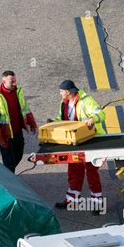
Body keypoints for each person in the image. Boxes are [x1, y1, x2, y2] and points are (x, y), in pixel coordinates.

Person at [47, 80, 106, 214]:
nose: (60, 94)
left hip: (91, 141)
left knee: (91, 173)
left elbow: (101, 114)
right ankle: (72, 200)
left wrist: (93, 119)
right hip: (74, 141)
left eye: (61, 91)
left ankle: (98, 204)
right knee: (74, 170)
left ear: (68, 92)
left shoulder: (87, 101)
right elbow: (62, 118)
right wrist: (53, 121)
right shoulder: (64, 103)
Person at [0, 70, 37, 173]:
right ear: (4, 81)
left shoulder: (18, 90)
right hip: (5, 135)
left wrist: (32, 123)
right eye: (12, 82)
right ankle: (8, 180)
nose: (14, 84)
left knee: (19, 154)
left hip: (17, 131)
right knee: (9, 161)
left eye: (15, 81)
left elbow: (25, 108)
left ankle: (5, 174)